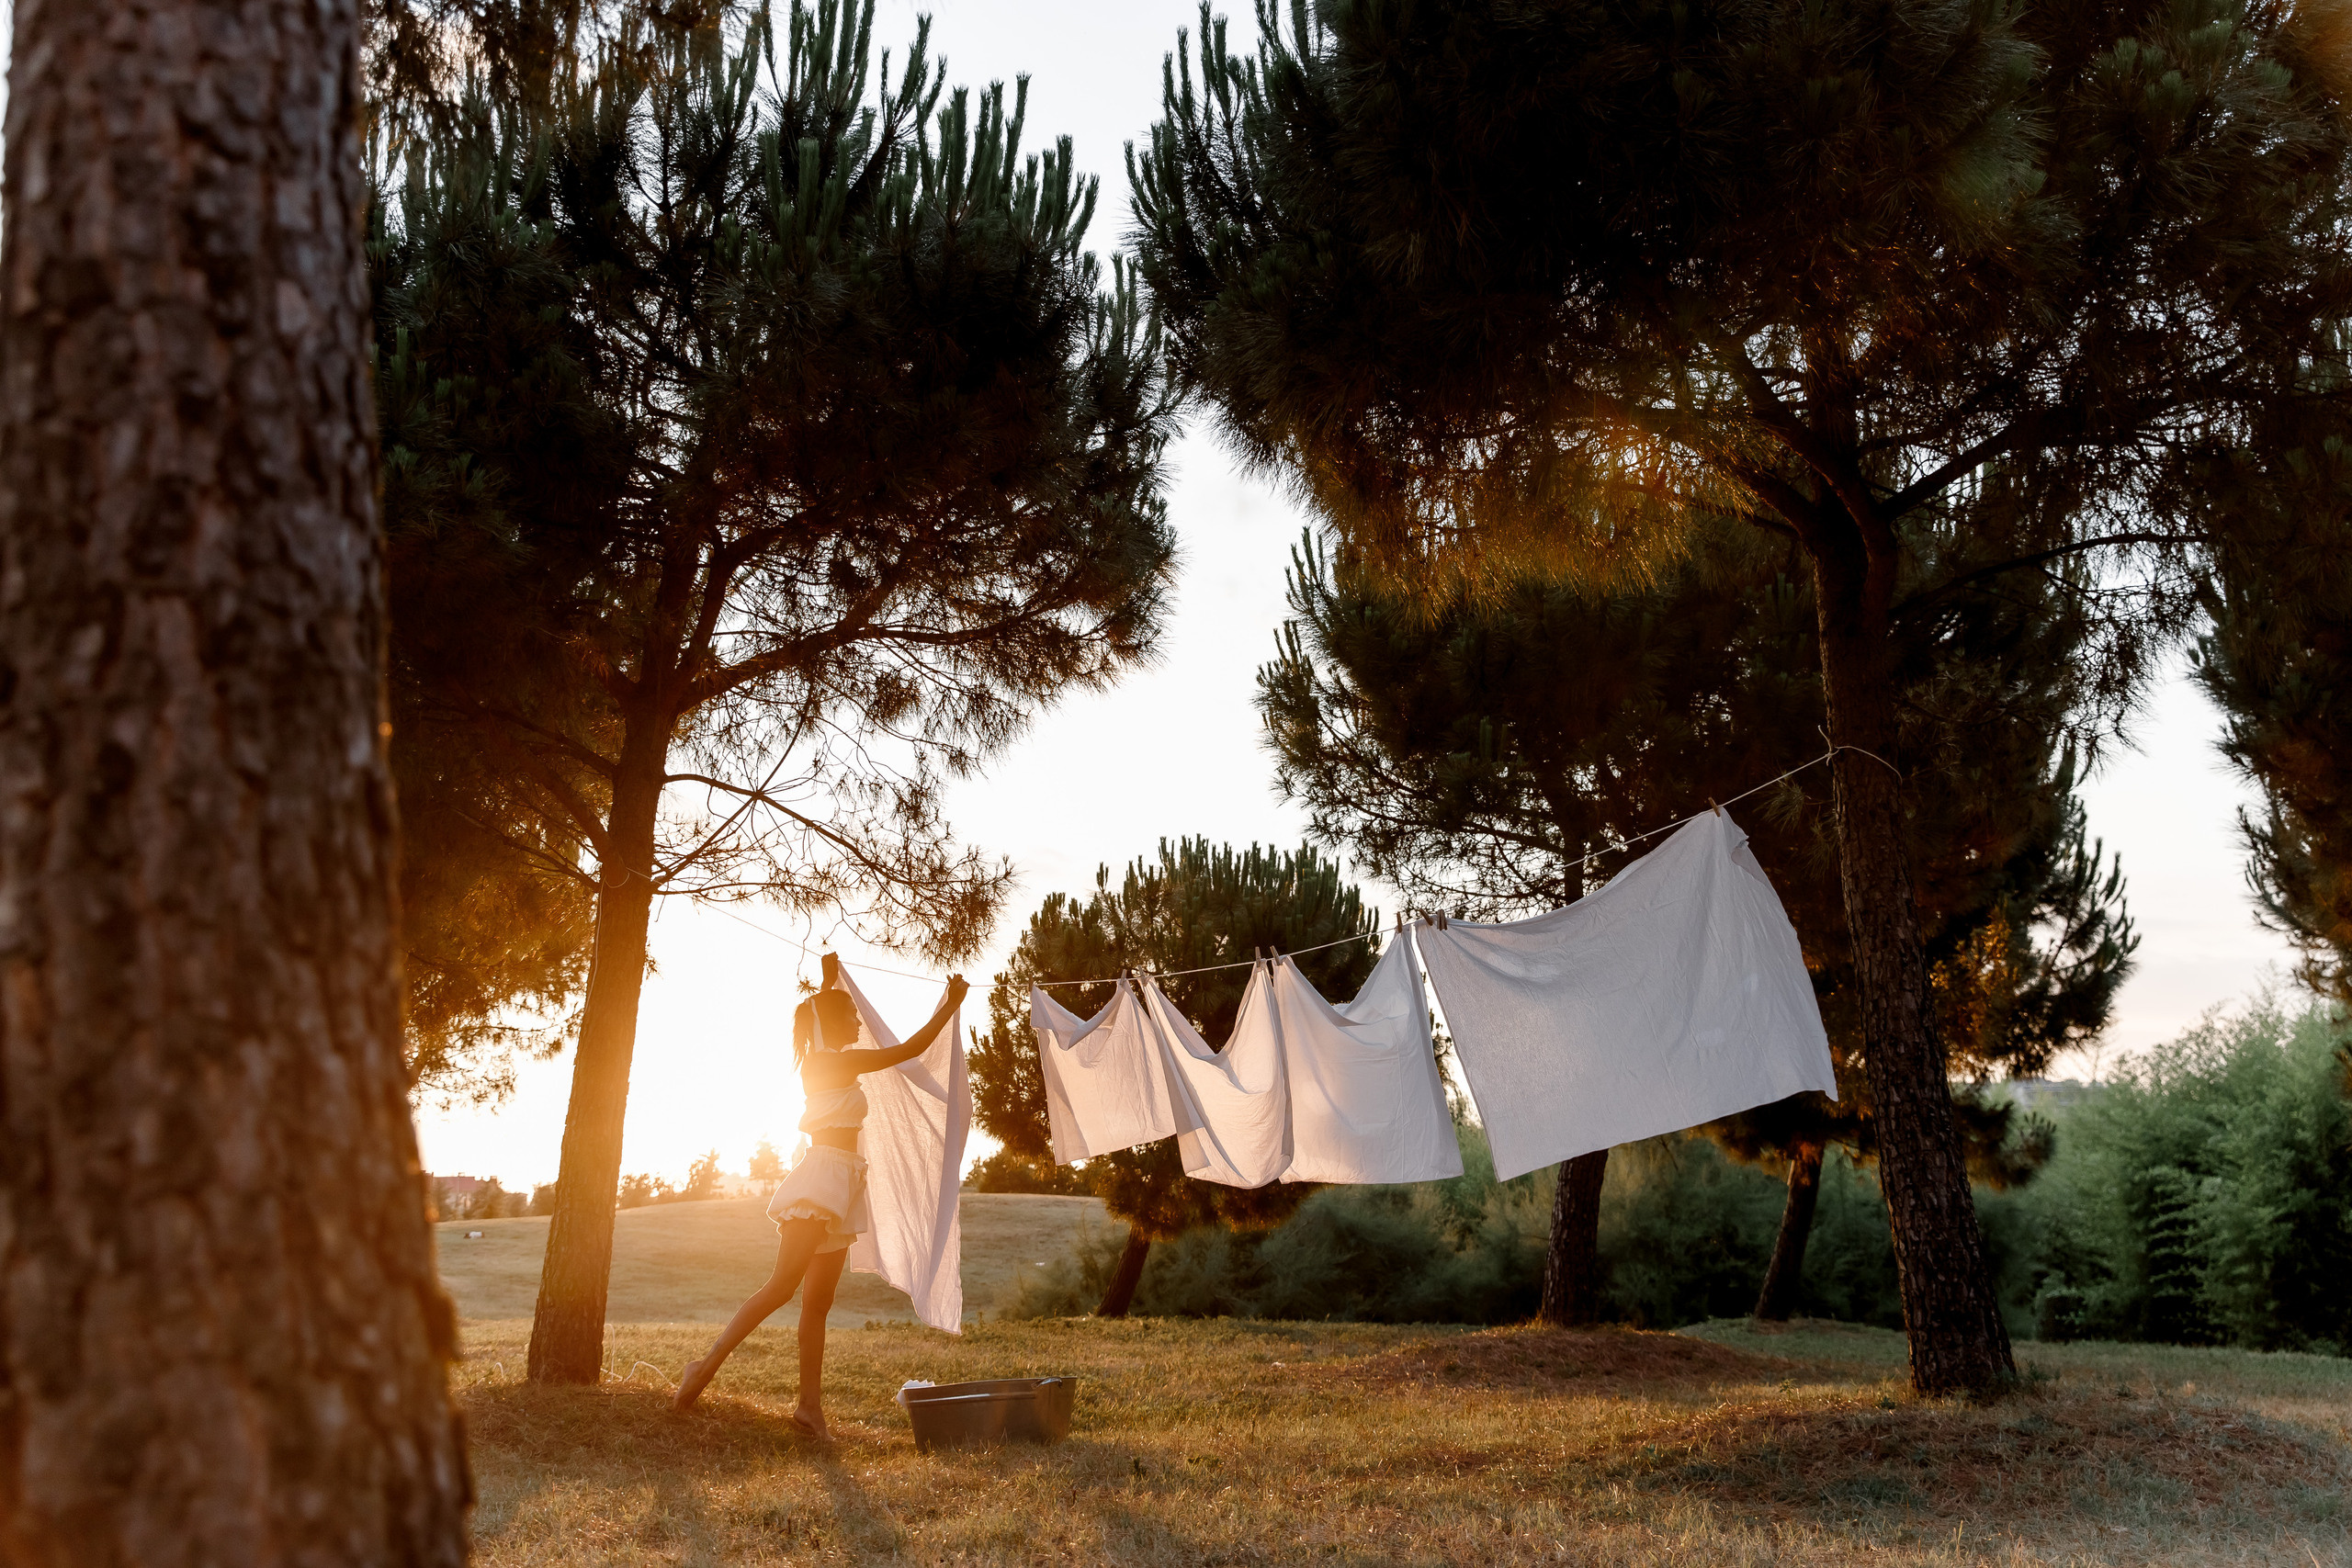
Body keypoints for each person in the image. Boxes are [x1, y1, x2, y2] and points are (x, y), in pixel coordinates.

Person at [673, 953, 967, 1430]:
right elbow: (909, 1050)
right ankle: (702, 1368)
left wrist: (830, 978)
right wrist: (949, 1005)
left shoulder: (828, 1056)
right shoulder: (834, 1061)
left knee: (817, 1302)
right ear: (834, 1022)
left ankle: (809, 1408)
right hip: (821, 1182)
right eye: (850, 1015)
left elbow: (819, 1012)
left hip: (843, 1182)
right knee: (782, 1287)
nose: (857, 1021)